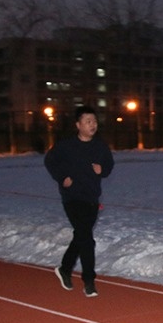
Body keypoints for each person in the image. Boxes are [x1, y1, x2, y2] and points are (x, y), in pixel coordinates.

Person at [44, 105, 115, 297]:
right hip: (72, 197)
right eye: (88, 121)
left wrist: (103, 170)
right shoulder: (66, 145)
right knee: (86, 238)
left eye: (94, 121)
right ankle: (89, 281)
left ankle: (65, 269)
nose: (92, 125)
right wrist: (62, 177)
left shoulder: (100, 146)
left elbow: (109, 165)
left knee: (81, 236)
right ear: (78, 125)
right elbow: (50, 160)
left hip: (92, 197)